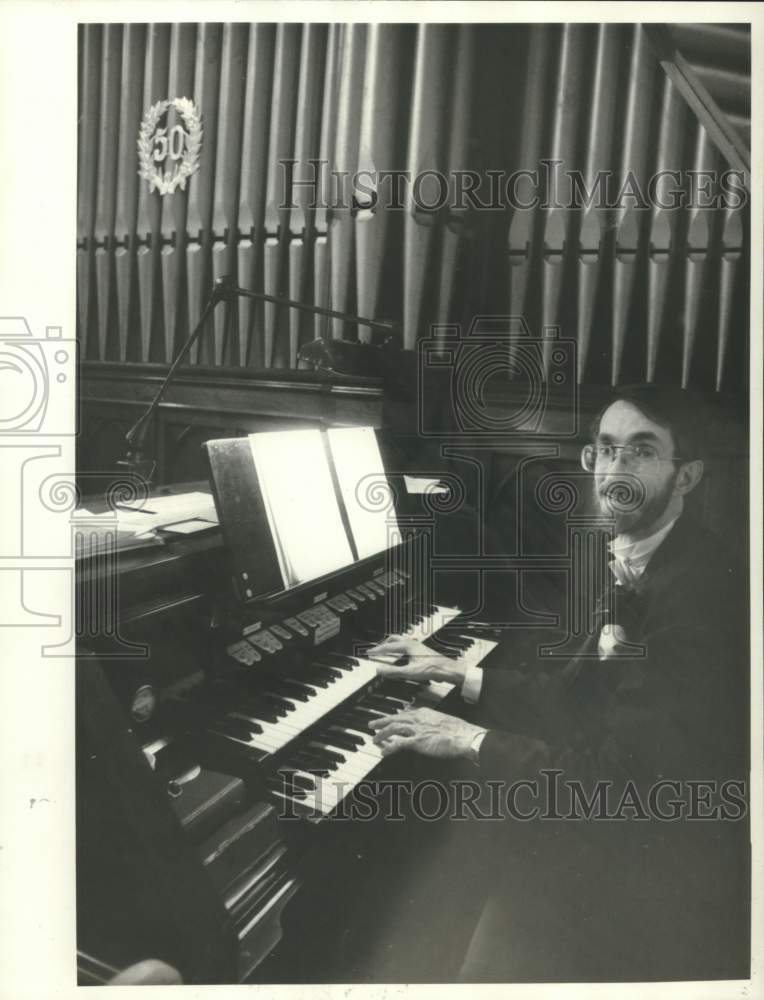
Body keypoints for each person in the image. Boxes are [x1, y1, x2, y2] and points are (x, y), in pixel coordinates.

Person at [367, 384, 749, 982]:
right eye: (607, 449)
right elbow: (580, 695)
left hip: (656, 862)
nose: (616, 471)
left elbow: (617, 784)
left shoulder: (696, 596)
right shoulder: (632, 548)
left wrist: (467, 740)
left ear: (689, 477)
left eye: (643, 452)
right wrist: (458, 674)